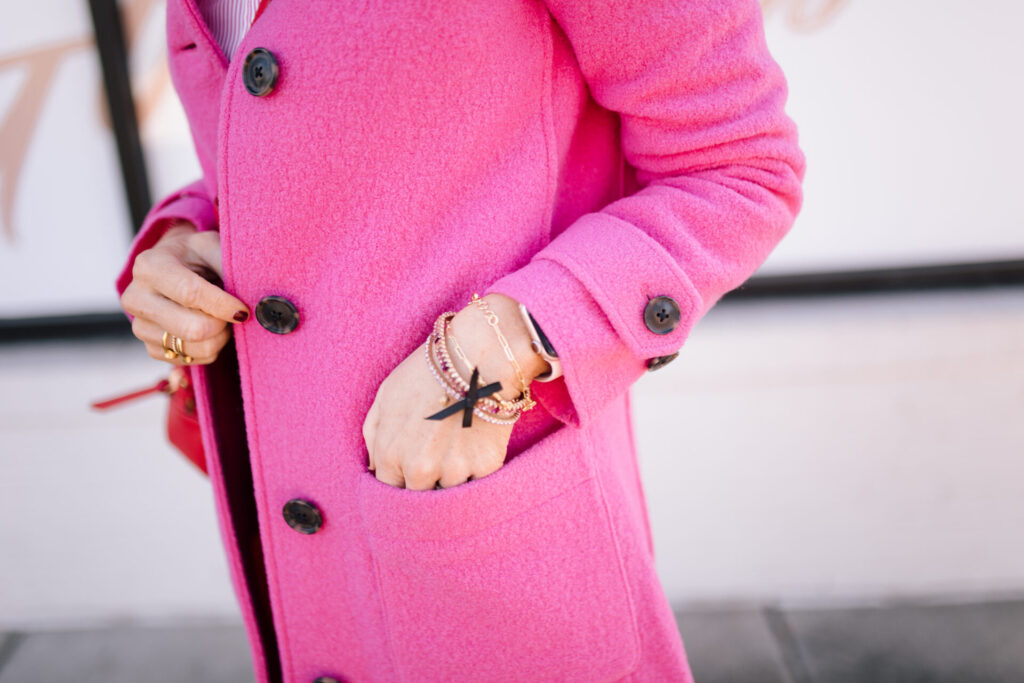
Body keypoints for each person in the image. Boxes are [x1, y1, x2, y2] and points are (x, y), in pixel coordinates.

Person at [116, 0, 806, 681]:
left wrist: (506, 340)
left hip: (491, 539)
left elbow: (737, 166)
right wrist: (184, 236)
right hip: (309, 567)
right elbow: (298, 146)